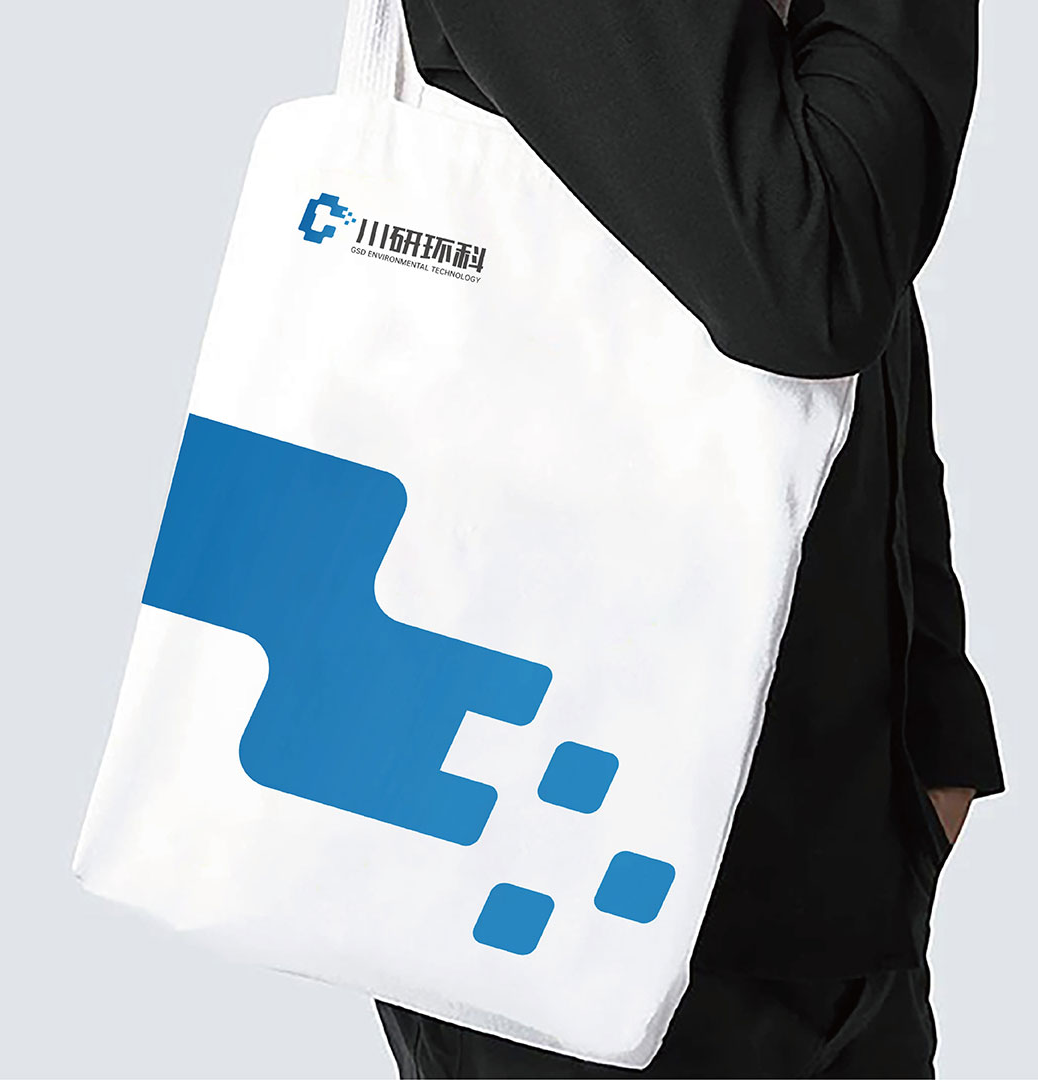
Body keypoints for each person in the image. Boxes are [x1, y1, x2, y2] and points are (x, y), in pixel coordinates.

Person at [375, 1, 1004, 1075]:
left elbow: (858, 294)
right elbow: (812, 267)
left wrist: (929, 724)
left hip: (818, 861)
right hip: (576, 881)